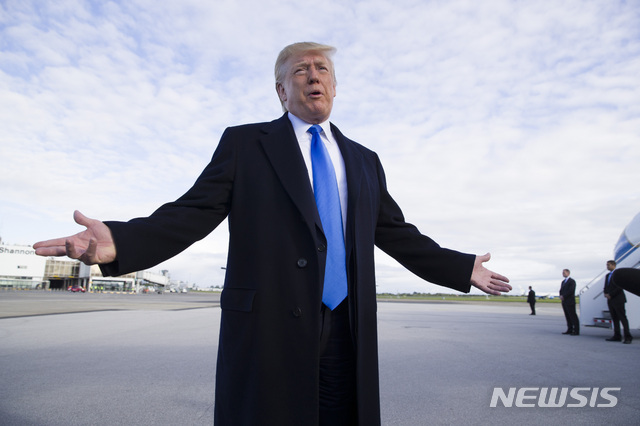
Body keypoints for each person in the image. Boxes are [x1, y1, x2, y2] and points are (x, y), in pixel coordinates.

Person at [33, 42, 511, 425]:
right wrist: (121, 241)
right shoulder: (245, 144)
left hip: (347, 324)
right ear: (281, 91)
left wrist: (460, 265)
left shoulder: (364, 160)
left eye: (321, 68)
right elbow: (192, 212)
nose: (312, 75)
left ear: (335, 86)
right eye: (299, 70)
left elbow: (395, 231)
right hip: (270, 325)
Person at [604, 260, 633, 344]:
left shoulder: (618, 275)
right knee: (615, 318)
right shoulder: (607, 276)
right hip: (610, 300)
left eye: (608, 265)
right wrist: (606, 293)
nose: (607, 266)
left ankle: (628, 337)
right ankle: (617, 335)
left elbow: (620, 287)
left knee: (622, 318)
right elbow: (605, 286)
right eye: (607, 265)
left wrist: (611, 294)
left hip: (618, 299)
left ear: (613, 265)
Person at [559, 269, 579, 335]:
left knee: (573, 316)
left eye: (564, 272)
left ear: (568, 273)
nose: (563, 273)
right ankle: (569, 329)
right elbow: (561, 290)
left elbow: (571, 291)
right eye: (562, 272)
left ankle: (576, 330)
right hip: (564, 301)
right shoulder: (563, 282)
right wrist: (561, 295)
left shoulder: (572, 281)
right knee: (567, 316)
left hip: (570, 301)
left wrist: (564, 296)